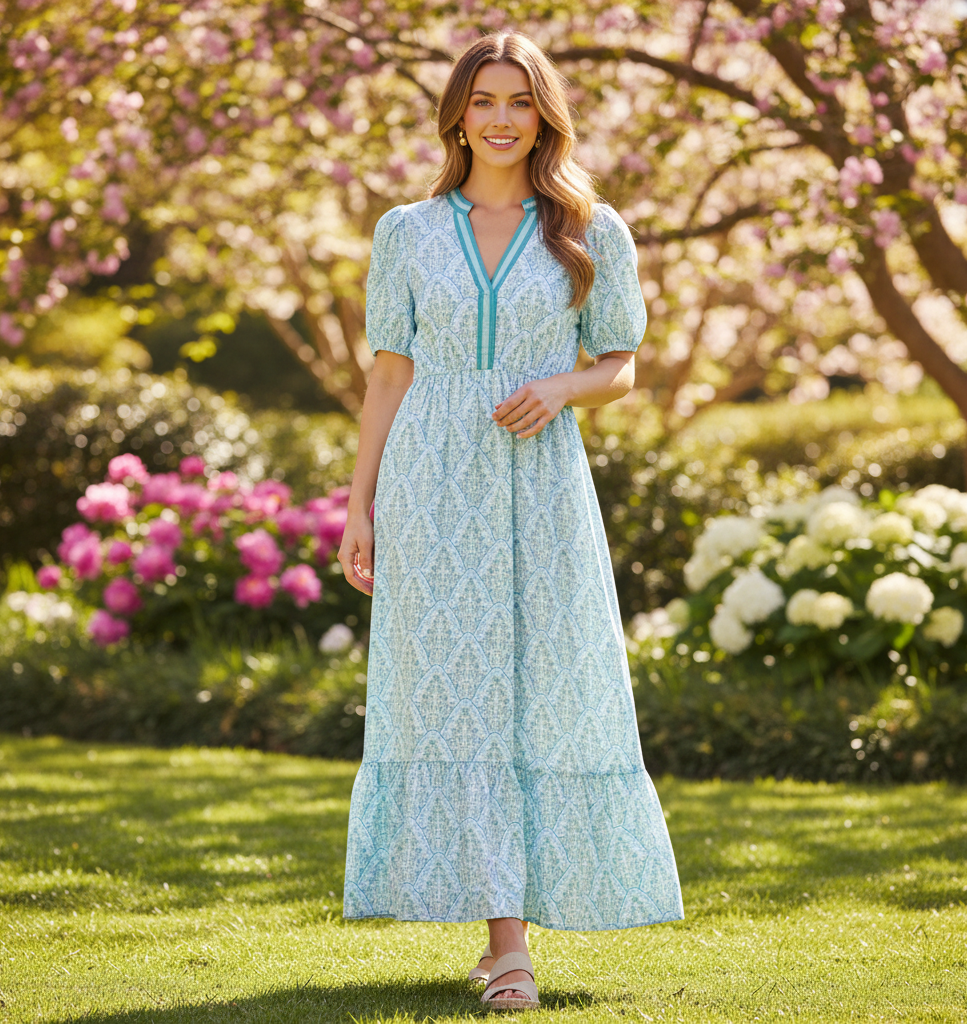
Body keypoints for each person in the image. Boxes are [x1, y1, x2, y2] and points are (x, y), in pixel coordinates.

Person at [338, 30, 684, 1012]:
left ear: (543, 115)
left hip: (538, 479)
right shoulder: (406, 230)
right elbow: (390, 372)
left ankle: (511, 938)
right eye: (483, 98)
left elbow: (619, 361)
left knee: (539, 679)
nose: (499, 116)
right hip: (432, 480)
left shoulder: (589, 226)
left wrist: (564, 384)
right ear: (457, 112)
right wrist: (358, 503)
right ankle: (506, 943)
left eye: (519, 100)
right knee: (459, 690)